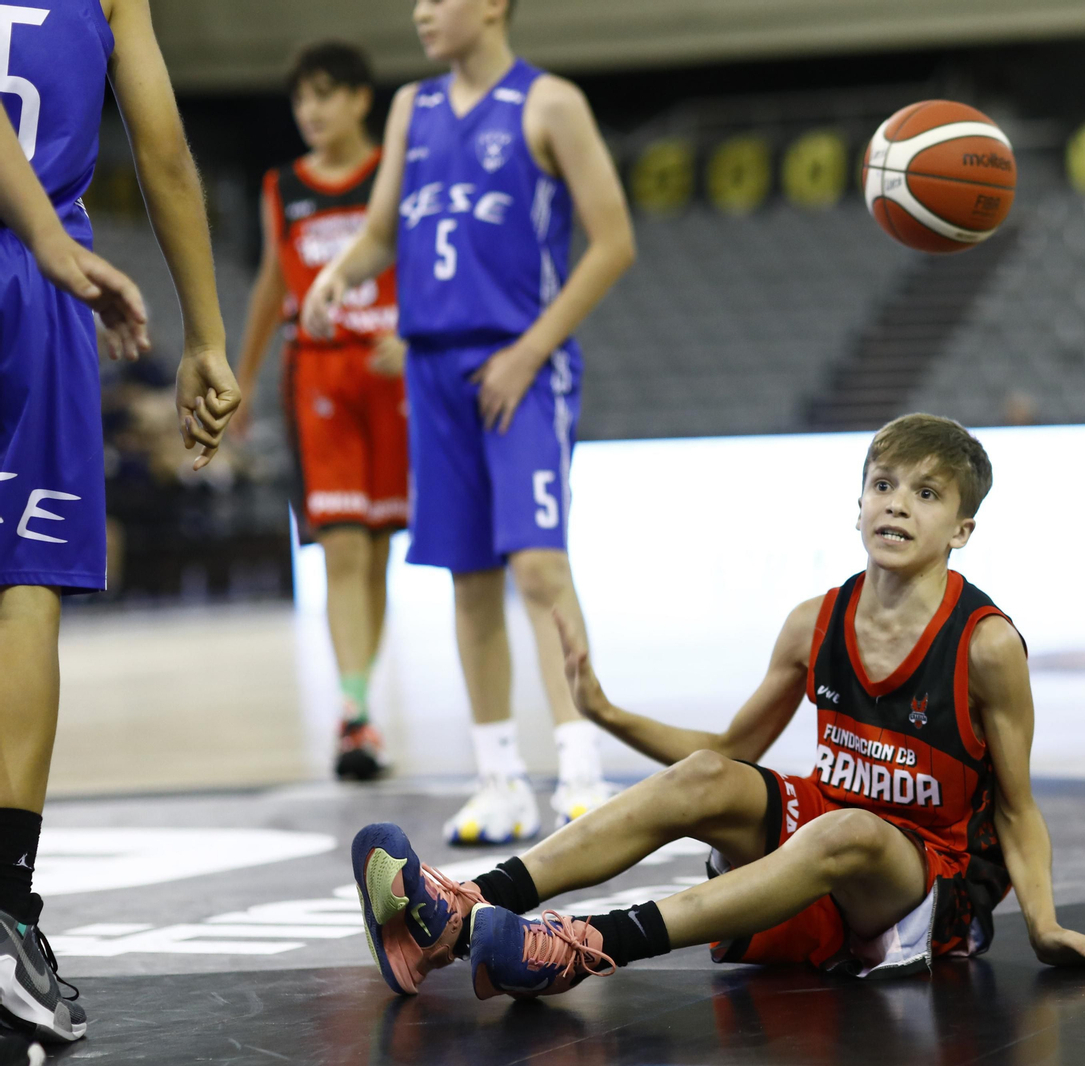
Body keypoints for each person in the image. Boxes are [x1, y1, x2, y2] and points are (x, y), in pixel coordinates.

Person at [348, 415, 1085, 1000]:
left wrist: (1046, 925)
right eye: (883, 485)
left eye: (927, 493)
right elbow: (732, 750)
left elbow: (1016, 809)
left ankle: (584, 947)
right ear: (857, 505)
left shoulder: (985, 646)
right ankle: (455, 916)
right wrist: (605, 712)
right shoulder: (816, 621)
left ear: (964, 528)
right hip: (833, 832)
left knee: (843, 829)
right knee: (709, 776)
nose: (898, 504)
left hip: (929, 887)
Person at [303, 0, 636, 843]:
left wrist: (531, 350)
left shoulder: (550, 103)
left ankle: (581, 766)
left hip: (517, 360)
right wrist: (339, 273)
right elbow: (382, 232)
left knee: (536, 566)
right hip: (432, 366)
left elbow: (613, 242)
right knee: (468, 576)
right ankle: (499, 781)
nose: (420, 12)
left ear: (491, 5)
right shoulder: (413, 107)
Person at [0, 0, 239, 1041]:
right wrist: (207, 336)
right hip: (28, 281)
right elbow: (165, 152)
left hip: (40, 269)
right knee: (23, 595)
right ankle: (4, 917)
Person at [235, 42, 406, 780]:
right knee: (341, 544)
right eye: (301, 99)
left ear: (362, 100)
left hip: (392, 372)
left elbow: (430, 255)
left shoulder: (390, 175)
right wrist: (239, 375)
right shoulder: (281, 186)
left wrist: (419, 332)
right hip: (319, 377)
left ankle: (360, 699)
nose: (310, 111)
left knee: (377, 552)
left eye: (325, 96)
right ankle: (355, 713)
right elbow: (272, 286)